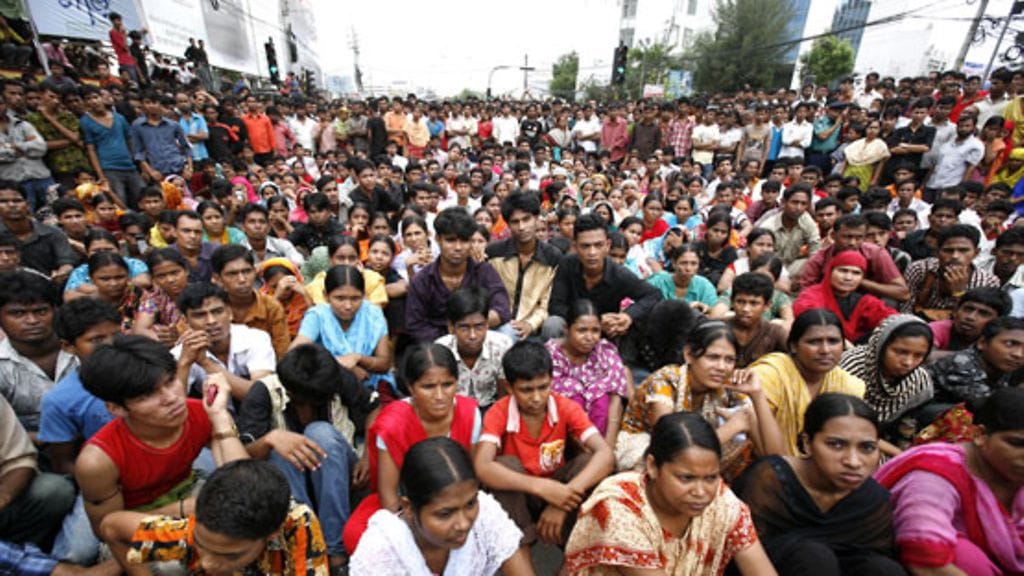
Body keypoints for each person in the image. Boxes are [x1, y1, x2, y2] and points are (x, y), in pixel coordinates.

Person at [74, 336, 248, 570]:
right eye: (147, 395)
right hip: (136, 520)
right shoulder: (98, 460)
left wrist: (220, 417)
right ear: (115, 408)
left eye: (171, 380)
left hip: (192, 494)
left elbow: (245, 481)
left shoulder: (199, 412)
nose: (171, 398)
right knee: (177, 563)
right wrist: (178, 511)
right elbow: (108, 528)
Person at [563, 412, 776, 576]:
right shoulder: (618, 507)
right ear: (653, 467)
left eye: (711, 477)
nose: (701, 492)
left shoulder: (722, 503)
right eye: (686, 478)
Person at [237, 344, 380, 572]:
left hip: (343, 477)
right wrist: (270, 439)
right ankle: (305, 545)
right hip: (290, 484)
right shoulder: (263, 392)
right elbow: (242, 455)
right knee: (281, 450)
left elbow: (374, 406)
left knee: (319, 432)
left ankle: (335, 553)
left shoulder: (334, 377)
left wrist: (368, 455)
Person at [733, 394, 905, 576]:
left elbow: (874, 557)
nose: (854, 462)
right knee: (812, 556)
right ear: (807, 443)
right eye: (836, 445)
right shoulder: (770, 480)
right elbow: (737, 550)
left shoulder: (872, 500)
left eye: (867, 448)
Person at [474, 340, 614, 554]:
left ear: (552, 381)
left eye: (543, 387)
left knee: (588, 463)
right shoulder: (499, 411)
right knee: (504, 465)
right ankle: (519, 553)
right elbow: (482, 466)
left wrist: (562, 498)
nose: (537, 397)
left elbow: (605, 454)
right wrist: (541, 488)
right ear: (509, 388)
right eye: (526, 390)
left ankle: (577, 553)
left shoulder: (566, 407)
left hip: (559, 487)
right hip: (521, 495)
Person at [342, 343, 480, 555]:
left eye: (448, 384)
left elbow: (471, 479)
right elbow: (389, 493)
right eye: (428, 386)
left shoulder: (470, 414)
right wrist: (415, 532)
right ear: (410, 387)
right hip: (407, 506)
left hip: (456, 502)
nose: (440, 395)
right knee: (356, 536)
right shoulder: (392, 425)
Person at [876, 387, 1024, 576]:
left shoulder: (1011, 472)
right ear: (979, 435)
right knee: (965, 557)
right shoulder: (934, 475)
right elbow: (927, 561)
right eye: (1017, 444)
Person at [616, 319, 785, 478]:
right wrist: (732, 428)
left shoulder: (728, 387)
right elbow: (672, 450)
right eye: (713, 357)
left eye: (729, 360)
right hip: (649, 453)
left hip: (696, 460)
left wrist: (757, 395)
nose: (721, 367)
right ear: (689, 355)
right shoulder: (665, 381)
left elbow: (775, 457)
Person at [99, 459, 329, 575]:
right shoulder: (198, 529)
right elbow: (112, 527)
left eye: (229, 555)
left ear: (272, 534)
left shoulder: (298, 525)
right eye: (200, 545)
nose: (208, 563)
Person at [351, 437, 531, 575]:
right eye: (445, 514)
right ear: (408, 507)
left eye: (470, 504)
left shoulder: (485, 513)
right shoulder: (378, 553)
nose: (463, 524)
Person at [747, 309, 866, 454]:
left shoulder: (848, 385)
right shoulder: (769, 375)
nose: (825, 350)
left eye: (833, 341)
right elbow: (753, 431)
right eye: (814, 342)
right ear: (793, 346)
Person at [546, 213, 662, 340]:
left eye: (598, 245)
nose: (592, 253)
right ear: (575, 246)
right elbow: (556, 306)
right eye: (585, 246)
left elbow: (653, 294)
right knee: (553, 324)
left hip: (606, 334)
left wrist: (628, 316)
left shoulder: (619, 274)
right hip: (573, 330)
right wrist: (594, 321)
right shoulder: (567, 265)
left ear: (607, 245)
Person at [406, 207, 511, 343]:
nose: (458, 247)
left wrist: (469, 327)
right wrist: (453, 337)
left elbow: (502, 308)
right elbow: (416, 326)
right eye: (451, 240)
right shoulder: (422, 280)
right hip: (438, 343)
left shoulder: (484, 271)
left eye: (464, 241)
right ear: (438, 239)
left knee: (508, 332)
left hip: (479, 337)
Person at [290, 265, 394, 394]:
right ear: (326, 296)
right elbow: (295, 353)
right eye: (340, 298)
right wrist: (343, 367)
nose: (348, 306)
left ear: (364, 296)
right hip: (326, 384)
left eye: (355, 298)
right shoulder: (318, 315)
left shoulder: (373, 315)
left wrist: (358, 358)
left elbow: (384, 363)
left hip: (370, 386)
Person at [838, 314, 933, 454]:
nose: (908, 362)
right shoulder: (850, 369)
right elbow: (840, 425)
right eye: (900, 352)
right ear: (881, 345)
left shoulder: (918, 381)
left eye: (918, 355)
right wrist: (898, 455)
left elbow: (907, 426)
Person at [544, 299, 632, 448]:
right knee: (572, 394)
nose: (589, 337)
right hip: (563, 439)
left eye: (595, 331)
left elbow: (615, 404)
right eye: (582, 330)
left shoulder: (605, 352)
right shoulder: (550, 356)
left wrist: (606, 450)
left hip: (603, 440)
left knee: (601, 397)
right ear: (567, 329)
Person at [0, 270, 77, 433]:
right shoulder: (2, 365)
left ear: (55, 310)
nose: (32, 321)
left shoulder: (82, 349)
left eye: (41, 311)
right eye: (18, 313)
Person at [172, 282, 276, 402]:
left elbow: (262, 396)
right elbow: (174, 405)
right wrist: (184, 364)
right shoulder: (180, 354)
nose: (211, 321)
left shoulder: (255, 338)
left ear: (230, 313)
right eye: (199, 315)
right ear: (185, 321)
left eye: (217, 312)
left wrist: (206, 363)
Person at [486, 191, 562, 339]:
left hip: (536, 328)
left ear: (536, 219)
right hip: (499, 324)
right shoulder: (494, 253)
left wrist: (531, 324)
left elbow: (547, 301)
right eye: (515, 222)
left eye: (526, 219)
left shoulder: (552, 257)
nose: (521, 227)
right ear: (508, 224)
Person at [793, 250, 898, 343]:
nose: (848, 278)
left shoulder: (864, 301)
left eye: (856, 273)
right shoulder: (812, 295)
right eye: (843, 271)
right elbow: (809, 318)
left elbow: (893, 319)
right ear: (830, 271)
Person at [925, 316, 1024, 414]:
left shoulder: (1004, 365)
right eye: (1010, 344)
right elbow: (994, 406)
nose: (1018, 354)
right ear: (982, 343)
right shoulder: (960, 364)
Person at [435, 287, 512, 410]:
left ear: (487, 324)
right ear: (451, 327)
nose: (473, 335)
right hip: (454, 410)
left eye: (479, 327)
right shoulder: (441, 349)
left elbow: (503, 393)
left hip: (491, 407)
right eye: (464, 328)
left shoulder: (502, 345)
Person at [903, 224, 1000, 320]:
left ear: (976, 253)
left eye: (963, 250)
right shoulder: (920, 269)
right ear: (937, 252)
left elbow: (974, 321)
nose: (955, 256)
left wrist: (959, 293)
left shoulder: (987, 282)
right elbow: (905, 308)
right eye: (948, 251)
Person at [211, 244, 290, 359]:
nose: (242, 279)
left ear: (255, 272)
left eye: (247, 271)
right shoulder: (206, 309)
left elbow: (282, 354)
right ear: (218, 279)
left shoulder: (271, 307)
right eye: (232, 274)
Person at [0, 182, 75, 280]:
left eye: (17, 200)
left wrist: (61, 273)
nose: (11, 205)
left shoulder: (53, 233)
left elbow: (67, 263)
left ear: (28, 204)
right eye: (3, 201)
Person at [725, 272, 789, 367]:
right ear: (732, 301)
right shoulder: (718, 328)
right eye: (740, 302)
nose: (745, 309)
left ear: (767, 305)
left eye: (754, 303)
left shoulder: (775, 334)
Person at [929, 287, 1010, 357]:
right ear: (956, 310)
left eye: (983, 314)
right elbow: (925, 356)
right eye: (968, 309)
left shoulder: (999, 340)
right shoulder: (937, 328)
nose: (970, 317)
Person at [133, 248, 189, 347]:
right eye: (161, 276)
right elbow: (139, 330)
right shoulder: (155, 299)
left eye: (175, 273)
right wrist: (167, 340)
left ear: (186, 271)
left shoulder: (201, 292)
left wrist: (181, 336)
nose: (170, 280)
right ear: (153, 279)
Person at [81, 252, 145, 333]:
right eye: (105, 279)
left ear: (128, 275)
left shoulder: (140, 296)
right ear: (91, 279)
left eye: (119, 277)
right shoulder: (87, 306)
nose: (113, 283)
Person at [645, 244, 719, 313]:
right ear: (674, 263)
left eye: (694, 264)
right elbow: (642, 307)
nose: (688, 268)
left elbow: (715, 310)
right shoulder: (657, 282)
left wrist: (704, 307)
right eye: (683, 263)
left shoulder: (704, 285)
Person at [257, 258, 310, 338]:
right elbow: (261, 325)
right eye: (275, 286)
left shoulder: (304, 294)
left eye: (287, 286)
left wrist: (305, 294)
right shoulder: (261, 298)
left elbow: (316, 320)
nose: (283, 290)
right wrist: (276, 296)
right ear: (267, 284)